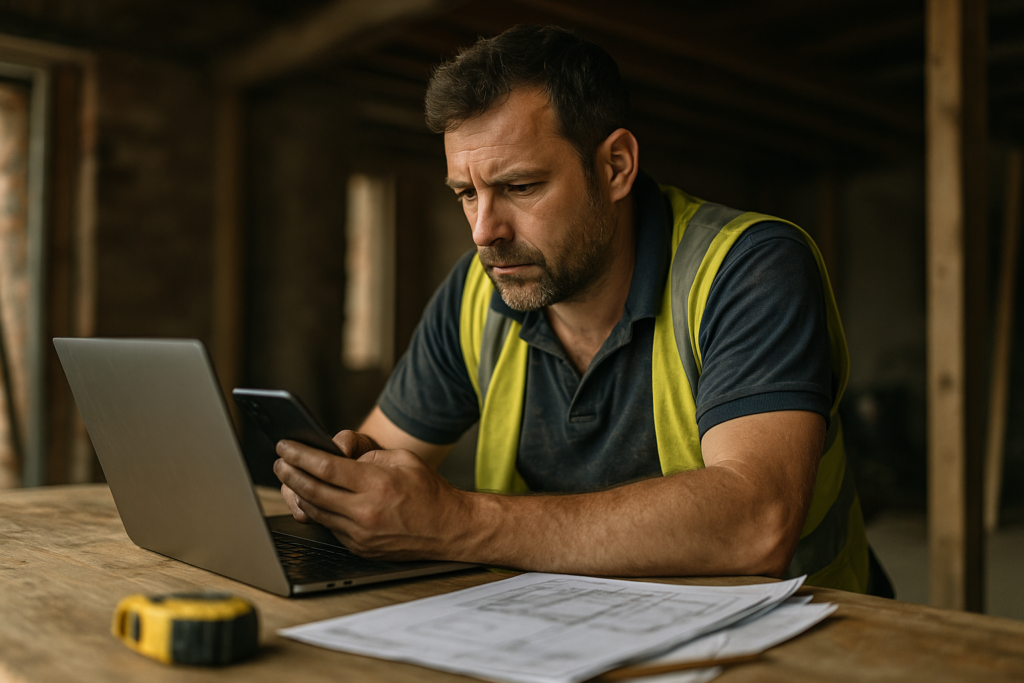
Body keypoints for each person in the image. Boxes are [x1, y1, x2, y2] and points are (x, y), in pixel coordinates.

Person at [273, 25, 885, 594]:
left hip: (808, 641)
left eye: (520, 187)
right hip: (563, 635)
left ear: (615, 166)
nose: (484, 231)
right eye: (467, 194)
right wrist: (342, 489)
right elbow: (380, 453)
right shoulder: (475, 292)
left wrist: (456, 521)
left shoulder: (748, 267)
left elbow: (757, 523)